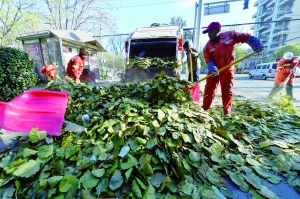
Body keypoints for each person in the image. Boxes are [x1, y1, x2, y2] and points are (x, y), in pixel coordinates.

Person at [202, 22, 264, 116]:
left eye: (210, 31)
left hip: (228, 70)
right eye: (208, 32)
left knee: (227, 90)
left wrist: (256, 44)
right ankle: (205, 108)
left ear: (217, 30)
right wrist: (212, 68)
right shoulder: (207, 46)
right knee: (209, 89)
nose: (209, 34)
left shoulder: (230, 35)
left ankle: (227, 112)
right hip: (214, 71)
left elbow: (246, 37)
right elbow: (208, 59)